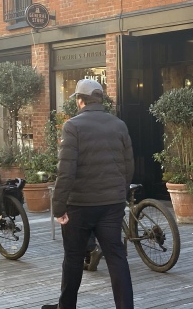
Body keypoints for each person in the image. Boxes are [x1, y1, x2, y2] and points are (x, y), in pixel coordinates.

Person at [42, 79, 134, 309]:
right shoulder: (119, 124)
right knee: (116, 258)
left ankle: (66, 306)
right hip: (112, 203)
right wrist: (119, 194)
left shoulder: (73, 126)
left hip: (79, 205)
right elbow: (129, 165)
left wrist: (59, 207)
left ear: (80, 101)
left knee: (73, 258)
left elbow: (66, 171)